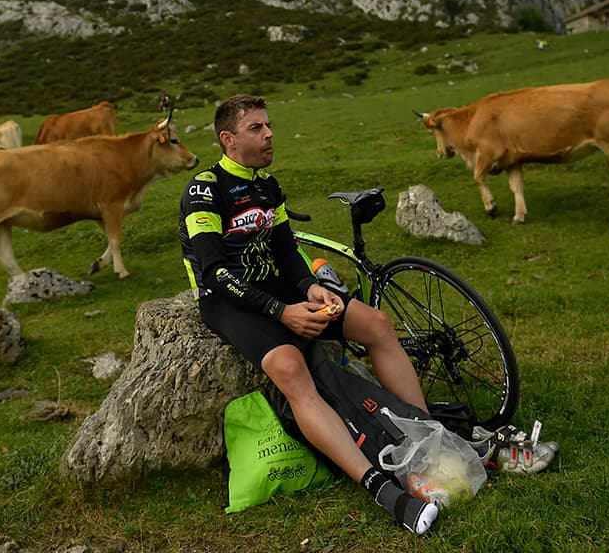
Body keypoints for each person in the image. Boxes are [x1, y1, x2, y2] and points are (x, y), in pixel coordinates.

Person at [179, 95, 558, 533]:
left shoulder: (268, 186)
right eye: (256, 129)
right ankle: (378, 485)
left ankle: (431, 438)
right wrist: (282, 313)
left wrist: (310, 288)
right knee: (290, 367)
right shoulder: (204, 189)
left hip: (282, 292)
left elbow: (286, 251)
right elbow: (214, 270)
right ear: (228, 139)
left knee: (376, 324)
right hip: (230, 302)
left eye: (269, 125)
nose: (269, 134)